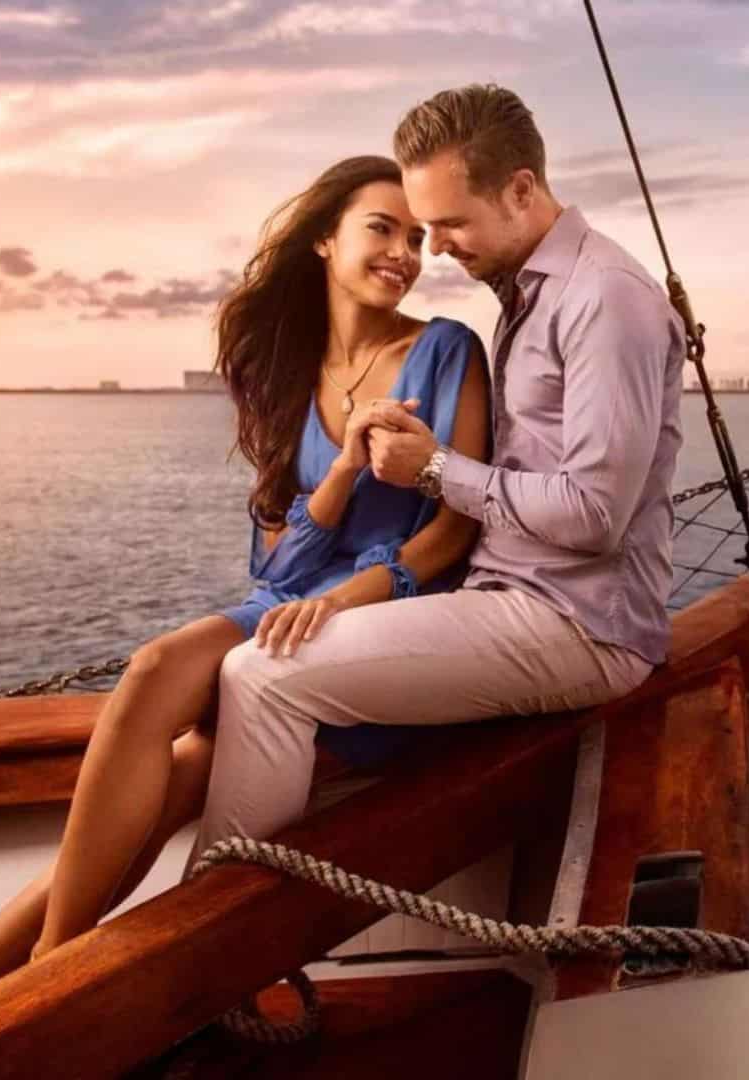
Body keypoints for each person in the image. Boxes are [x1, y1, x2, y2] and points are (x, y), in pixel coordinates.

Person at [0, 155, 492, 1064]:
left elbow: (449, 535)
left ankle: (41, 982)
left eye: (415, 237)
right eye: (382, 228)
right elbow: (278, 563)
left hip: (381, 629)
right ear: (326, 238)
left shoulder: (445, 348)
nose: (404, 252)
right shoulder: (290, 373)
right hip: (287, 621)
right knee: (154, 792)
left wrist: (346, 600)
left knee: (155, 668)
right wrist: (333, 477)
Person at [190, 84, 686, 862]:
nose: (440, 249)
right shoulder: (531, 293)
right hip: (506, 597)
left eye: (450, 224)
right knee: (249, 671)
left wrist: (436, 470)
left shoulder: (603, 299)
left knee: (263, 675)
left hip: (578, 625)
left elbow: (594, 517)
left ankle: (201, 951)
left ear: (521, 189)